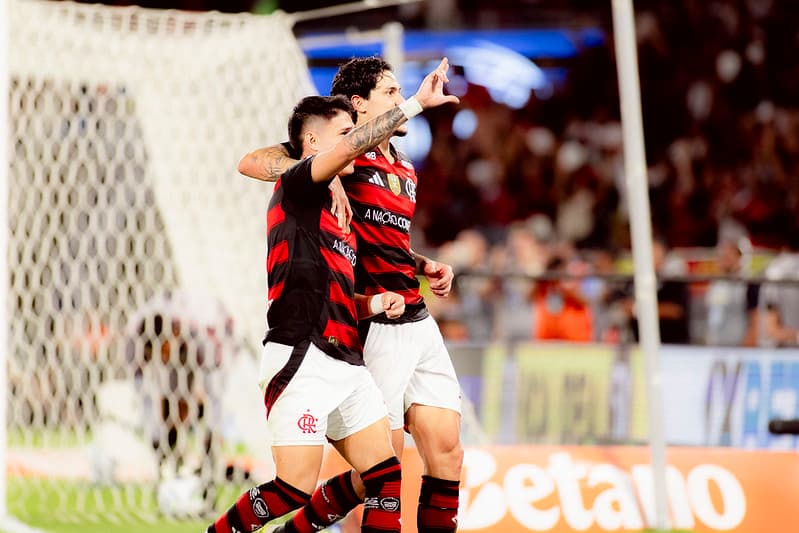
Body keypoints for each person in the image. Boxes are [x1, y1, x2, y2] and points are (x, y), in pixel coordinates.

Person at [207, 60, 457, 533]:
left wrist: (419, 266)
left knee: (393, 470)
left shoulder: (396, 172)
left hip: (356, 344)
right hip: (306, 349)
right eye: (391, 90)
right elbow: (252, 161)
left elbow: (372, 249)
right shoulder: (312, 179)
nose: (398, 95)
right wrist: (412, 107)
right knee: (295, 488)